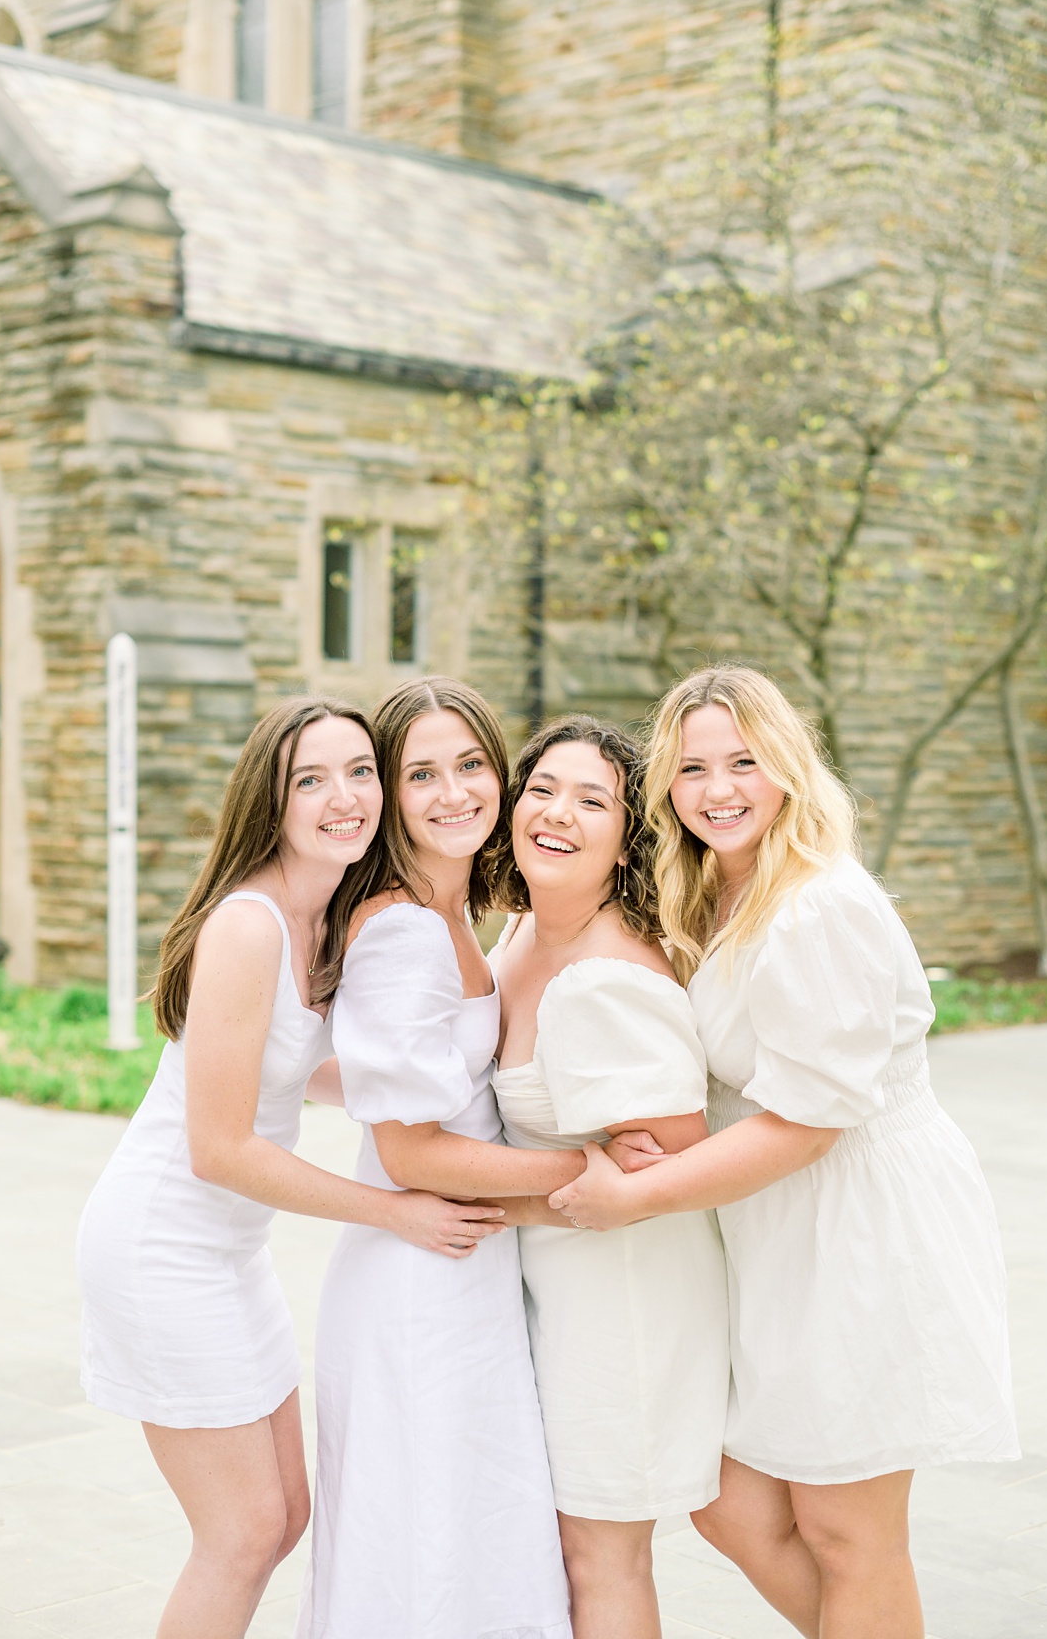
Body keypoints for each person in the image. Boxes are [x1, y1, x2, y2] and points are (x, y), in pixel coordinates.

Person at [550, 663, 1018, 1639]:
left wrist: (638, 1194)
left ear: (789, 766)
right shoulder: (712, 888)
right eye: (692, 768)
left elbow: (810, 1121)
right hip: (776, 1224)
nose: (719, 789)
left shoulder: (817, 905)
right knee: (730, 1499)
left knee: (848, 1531)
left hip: (857, 1227)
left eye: (744, 762)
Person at [75, 697, 507, 1639]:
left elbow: (299, 1069)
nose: (344, 797)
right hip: (164, 1247)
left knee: (287, 1519)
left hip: (230, 1257)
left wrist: (453, 1081)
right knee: (241, 1533)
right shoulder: (250, 925)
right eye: (311, 779)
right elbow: (220, 1147)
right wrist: (394, 1207)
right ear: (269, 801)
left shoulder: (323, 915)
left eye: (360, 771)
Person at [295, 677, 583, 1638]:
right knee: (422, 1545)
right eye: (421, 773)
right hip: (420, 1280)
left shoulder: (455, 914)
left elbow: (380, 1077)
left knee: (467, 1531)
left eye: (469, 765)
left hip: (464, 1265)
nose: (453, 792)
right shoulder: (406, 932)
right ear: (388, 794)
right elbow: (411, 1148)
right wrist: (583, 1168)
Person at [490, 714, 729, 1633]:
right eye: (543, 788)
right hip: (558, 1284)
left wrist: (480, 1189)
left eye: (593, 800)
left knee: (603, 1557)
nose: (557, 812)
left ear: (628, 841)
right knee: (567, 1547)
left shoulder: (606, 979)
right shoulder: (518, 932)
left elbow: (680, 1155)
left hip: (626, 1302)